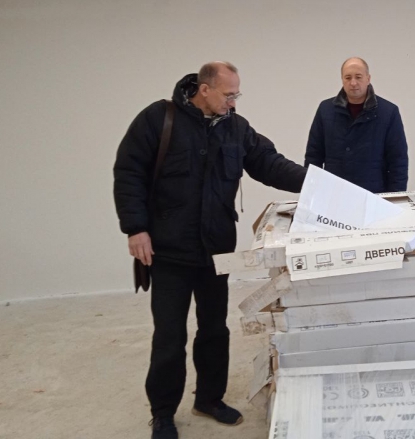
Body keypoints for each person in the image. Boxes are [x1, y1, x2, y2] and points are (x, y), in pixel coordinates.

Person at [113, 61, 305, 439]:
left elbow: (269, 164)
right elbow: (129, 171)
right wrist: (135, 228)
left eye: (237, 95)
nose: (233, 102)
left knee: (214, 329)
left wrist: (314, 182)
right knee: (169, 336)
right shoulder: (159, 119)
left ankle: (209, 399)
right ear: (204, 89)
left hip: (216, 249)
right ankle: (163, 413)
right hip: (168, 250)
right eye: (228, 94)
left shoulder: (236, 128)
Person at [304, 57, 408, 193]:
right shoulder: (325, 110)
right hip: (333, 193)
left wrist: (396, 197)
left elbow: (398, 161)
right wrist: (311, 192)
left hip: (373, 195)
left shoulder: (388, 112)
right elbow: (313, 156)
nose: (353, 83)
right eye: (348, 78)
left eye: (358, 77)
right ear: (342, 79)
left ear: (368, 79)